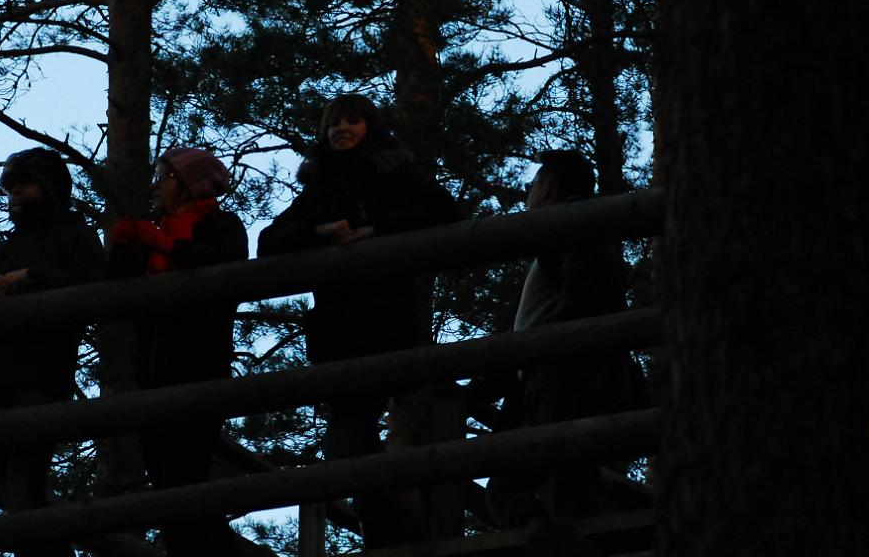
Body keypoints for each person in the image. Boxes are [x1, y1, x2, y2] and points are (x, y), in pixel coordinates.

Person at [258, 93, 458, 546]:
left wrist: (374, 231)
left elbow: (445, 211)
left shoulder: (394, 174)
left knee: (349, 447)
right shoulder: (319, 186)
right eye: (334, 123)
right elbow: (270, 242)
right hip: (338, 336)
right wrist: (321, 233)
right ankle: (400, 537)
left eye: (352, 121)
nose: (341, 129)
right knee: (352, 448)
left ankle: (400, 539)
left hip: (383, 328)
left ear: (371, 128)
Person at [485, 150, 642, 536]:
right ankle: (561, 538)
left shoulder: (570, 228)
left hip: (563, 377)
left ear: (549, 187)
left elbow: (590, 287)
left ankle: (554, 539)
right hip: (560, 377)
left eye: (534, 183)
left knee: (539, 484)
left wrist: (552, 344)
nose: (530, 193)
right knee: (562, 480)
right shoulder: (571, 233)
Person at [0, 148, 106, 556]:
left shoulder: (73, 234)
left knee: (23, 497)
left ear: (49, 186)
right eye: (11, 189)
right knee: (17, 496)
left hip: (40, 382)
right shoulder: (5, 250)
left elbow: (96, 285)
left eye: (24, 185)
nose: (16, 195)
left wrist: (32, 278)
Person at [106, 146, 247, 556]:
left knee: (186, 480)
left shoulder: (222, 226)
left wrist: (161, 243)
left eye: (164, 177)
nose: (156, 186)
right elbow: (114, 281)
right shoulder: (159, 230)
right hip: (152, 376)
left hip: (200, 370)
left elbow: (216, 265)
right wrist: (124, 245)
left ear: (187, 184)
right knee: (167, 486)